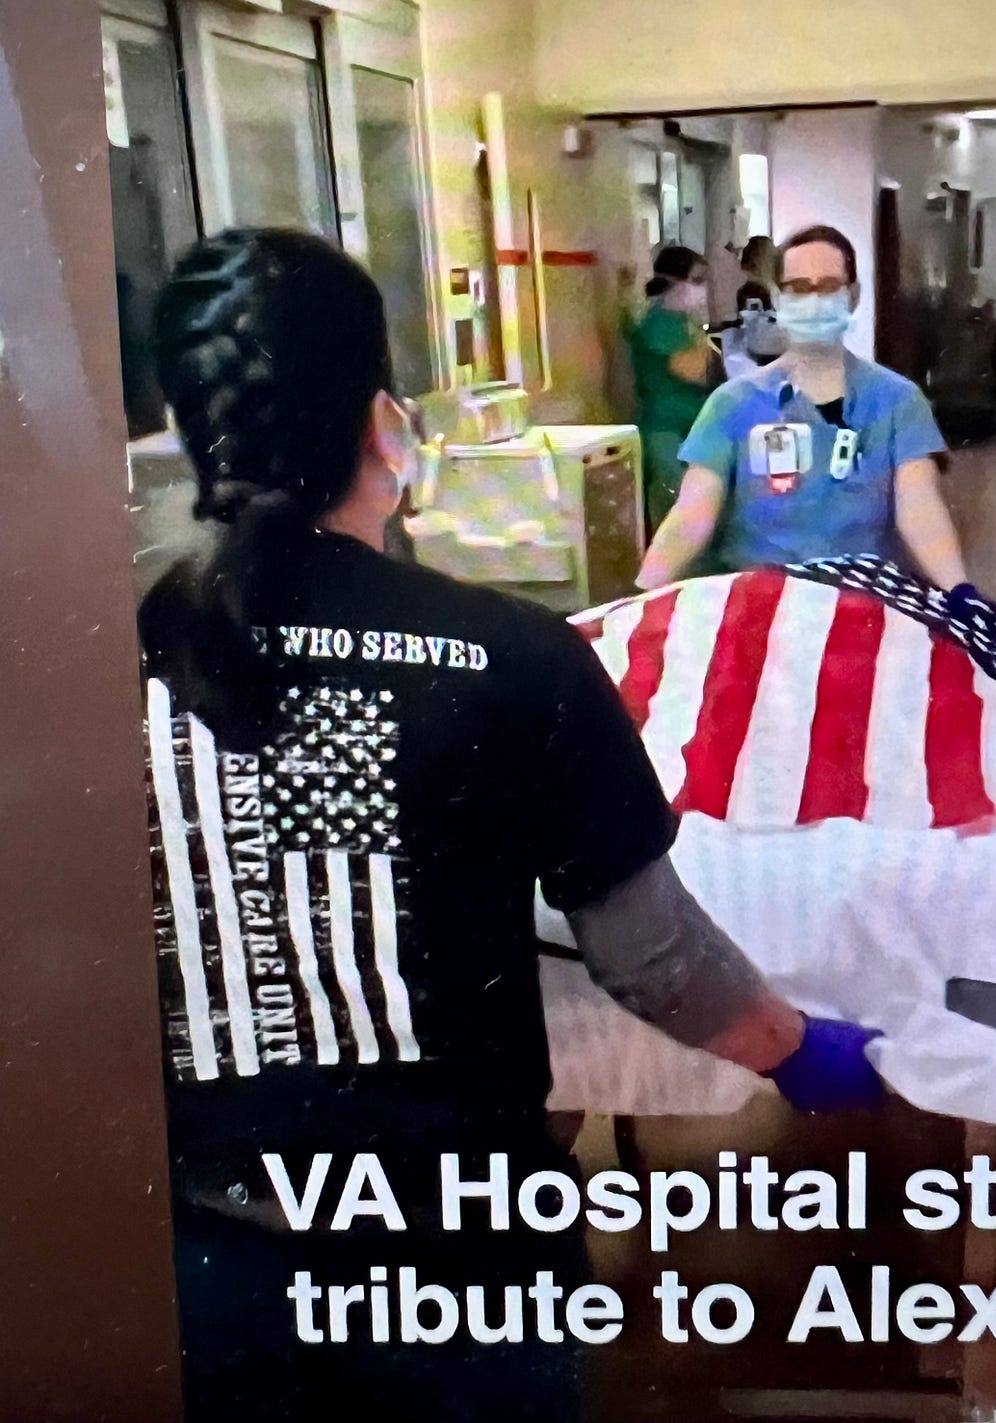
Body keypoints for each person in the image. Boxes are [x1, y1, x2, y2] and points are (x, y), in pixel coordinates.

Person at [138, 229, 884, 1421]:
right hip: (457, 1264)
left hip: (202, 1263)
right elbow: (653, 958)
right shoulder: (508, 657)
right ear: (385, 426)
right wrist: (794, 1050)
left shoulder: (98, 668)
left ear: (189, 438)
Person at [636, 224, 969, 590]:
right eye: (798, 288)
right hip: (761, 599)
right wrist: (638, 596)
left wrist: (960, 591)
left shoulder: (897, 402)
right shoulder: (733, 404)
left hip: (861, 598)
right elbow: (691, 517)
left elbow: (920, 509)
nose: (813, 301)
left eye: (829, 286)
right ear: (778, 298)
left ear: (853, 296)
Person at [626, 244, 718, 532]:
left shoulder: (680, 321)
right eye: (696, 280)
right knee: (676, 517)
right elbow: (696, 372)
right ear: (673, 281)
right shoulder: (659, 323)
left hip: (687, 427)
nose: (702, 289)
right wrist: (703, 341)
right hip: (666, 431)